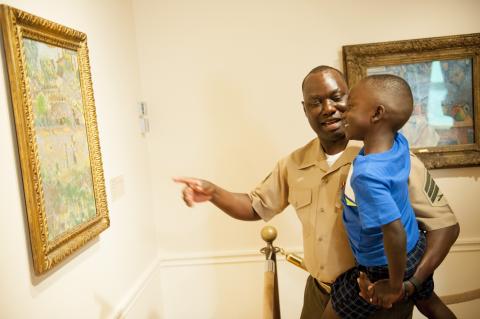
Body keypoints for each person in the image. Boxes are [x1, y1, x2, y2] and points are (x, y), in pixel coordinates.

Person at [174, 66, 460, 319]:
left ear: (353, 99)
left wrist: (409, 285)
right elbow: (253, 206)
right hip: (320, 294)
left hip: (379, 298)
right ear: (305, 109)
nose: (328, 108)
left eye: (337, 97)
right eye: (316, 102)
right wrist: (212, 192)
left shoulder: (387, 158)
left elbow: (445, 227)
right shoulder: (293, 164)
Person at [320, 74, 455, 319]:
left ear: (377, 114)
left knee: (330, 314)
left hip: (384, 266)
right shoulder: (398, 143)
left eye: (350, 107)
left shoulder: (366, 175)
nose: (342, 113)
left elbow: (393, 230)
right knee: (431, 304)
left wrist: (394, 285)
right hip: (416, 247)